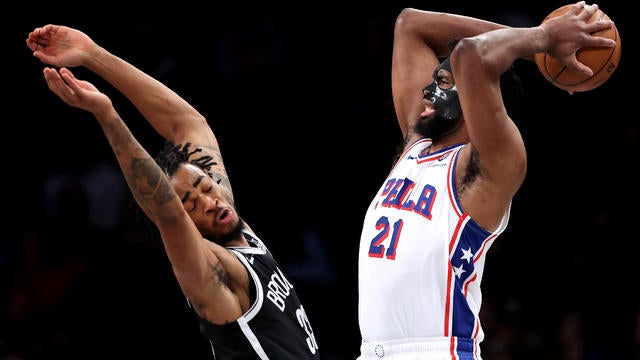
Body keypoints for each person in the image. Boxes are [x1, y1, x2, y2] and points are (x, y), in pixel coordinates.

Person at [26, 24, 320, 360]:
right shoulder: (217, 273)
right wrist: (107, 115)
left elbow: (188, 124)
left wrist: (94, 55)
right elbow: (165, 208)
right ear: (188, 227)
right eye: (192, 206)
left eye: (206, 187)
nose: (209, 202)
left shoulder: (229, 219)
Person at [356, 2, 615, 359]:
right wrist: (542, 52)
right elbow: (410, 24)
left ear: (474, 94)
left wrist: (543, 38)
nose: (428, 92)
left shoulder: (489, 163)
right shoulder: (416, 145)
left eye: (443, 82)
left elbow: (470, 54)